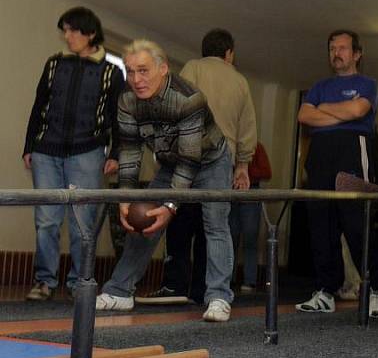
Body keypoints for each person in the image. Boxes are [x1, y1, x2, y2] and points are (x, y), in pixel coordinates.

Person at [95, 39, 235, 322]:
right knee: (143, 221)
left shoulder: (188, 98)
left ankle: (219, 297)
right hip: (171, 164)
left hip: (209, 161)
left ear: (163, 69)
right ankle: (120, 291)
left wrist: (170, 206)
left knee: (215, 223)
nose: (136, 79)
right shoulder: (127, 101)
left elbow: (190, 159)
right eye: (131, 71)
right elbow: (131, 153)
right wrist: (126, 197)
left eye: (144, 71)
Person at [135, 28, 257, 305]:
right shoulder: (240, 81)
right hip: (222, 158)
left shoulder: (192, 68)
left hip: (188, 154)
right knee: (214, 227)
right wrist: (243, 166)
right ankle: (206, 292)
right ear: (229, 53)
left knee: (178, 221)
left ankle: (174, 285)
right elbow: (247, 126)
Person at [23, 6, 125, 301]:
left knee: (83, 221)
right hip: (46, 152)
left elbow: (117, 117)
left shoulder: (111, 72)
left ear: (90, 33)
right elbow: (38, 105)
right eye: (64, 30)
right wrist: (29, 146)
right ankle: (44, 281)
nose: (66, 36)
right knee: (46, 220)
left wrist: (115, 153)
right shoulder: (54, 64)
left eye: (72, 30)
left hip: (89, 152)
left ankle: (80, 281)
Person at [296, 30, 378, 318]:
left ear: (357, 54)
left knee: (356, 221)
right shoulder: (320, 85)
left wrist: (324, 110)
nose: (337, 53)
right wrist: (341, 112)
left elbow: (359, 110)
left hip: (352, 149)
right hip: (321, 152)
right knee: (321, 221)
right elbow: (304, 116)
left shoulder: (367, 83)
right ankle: (325, 291)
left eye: (343, 48)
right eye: (333, 48)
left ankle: (373, 291)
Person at [235, 141, 272, 293]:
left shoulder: (256, 147)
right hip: (232, 193)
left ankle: (249, 280)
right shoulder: (230, 145)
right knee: (229, 238)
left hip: (250, 193)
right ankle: (228, 279)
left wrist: (243, 172)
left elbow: (266, 172)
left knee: (250, 239)